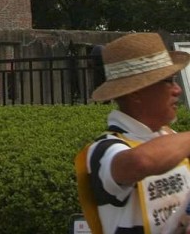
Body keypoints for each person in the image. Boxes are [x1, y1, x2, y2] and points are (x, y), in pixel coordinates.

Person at [77, 32, 190, 233]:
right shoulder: (104, 150)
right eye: (168, 80)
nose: (177, 90)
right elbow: (140, 162)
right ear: (135, 93)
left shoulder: (173, 140)